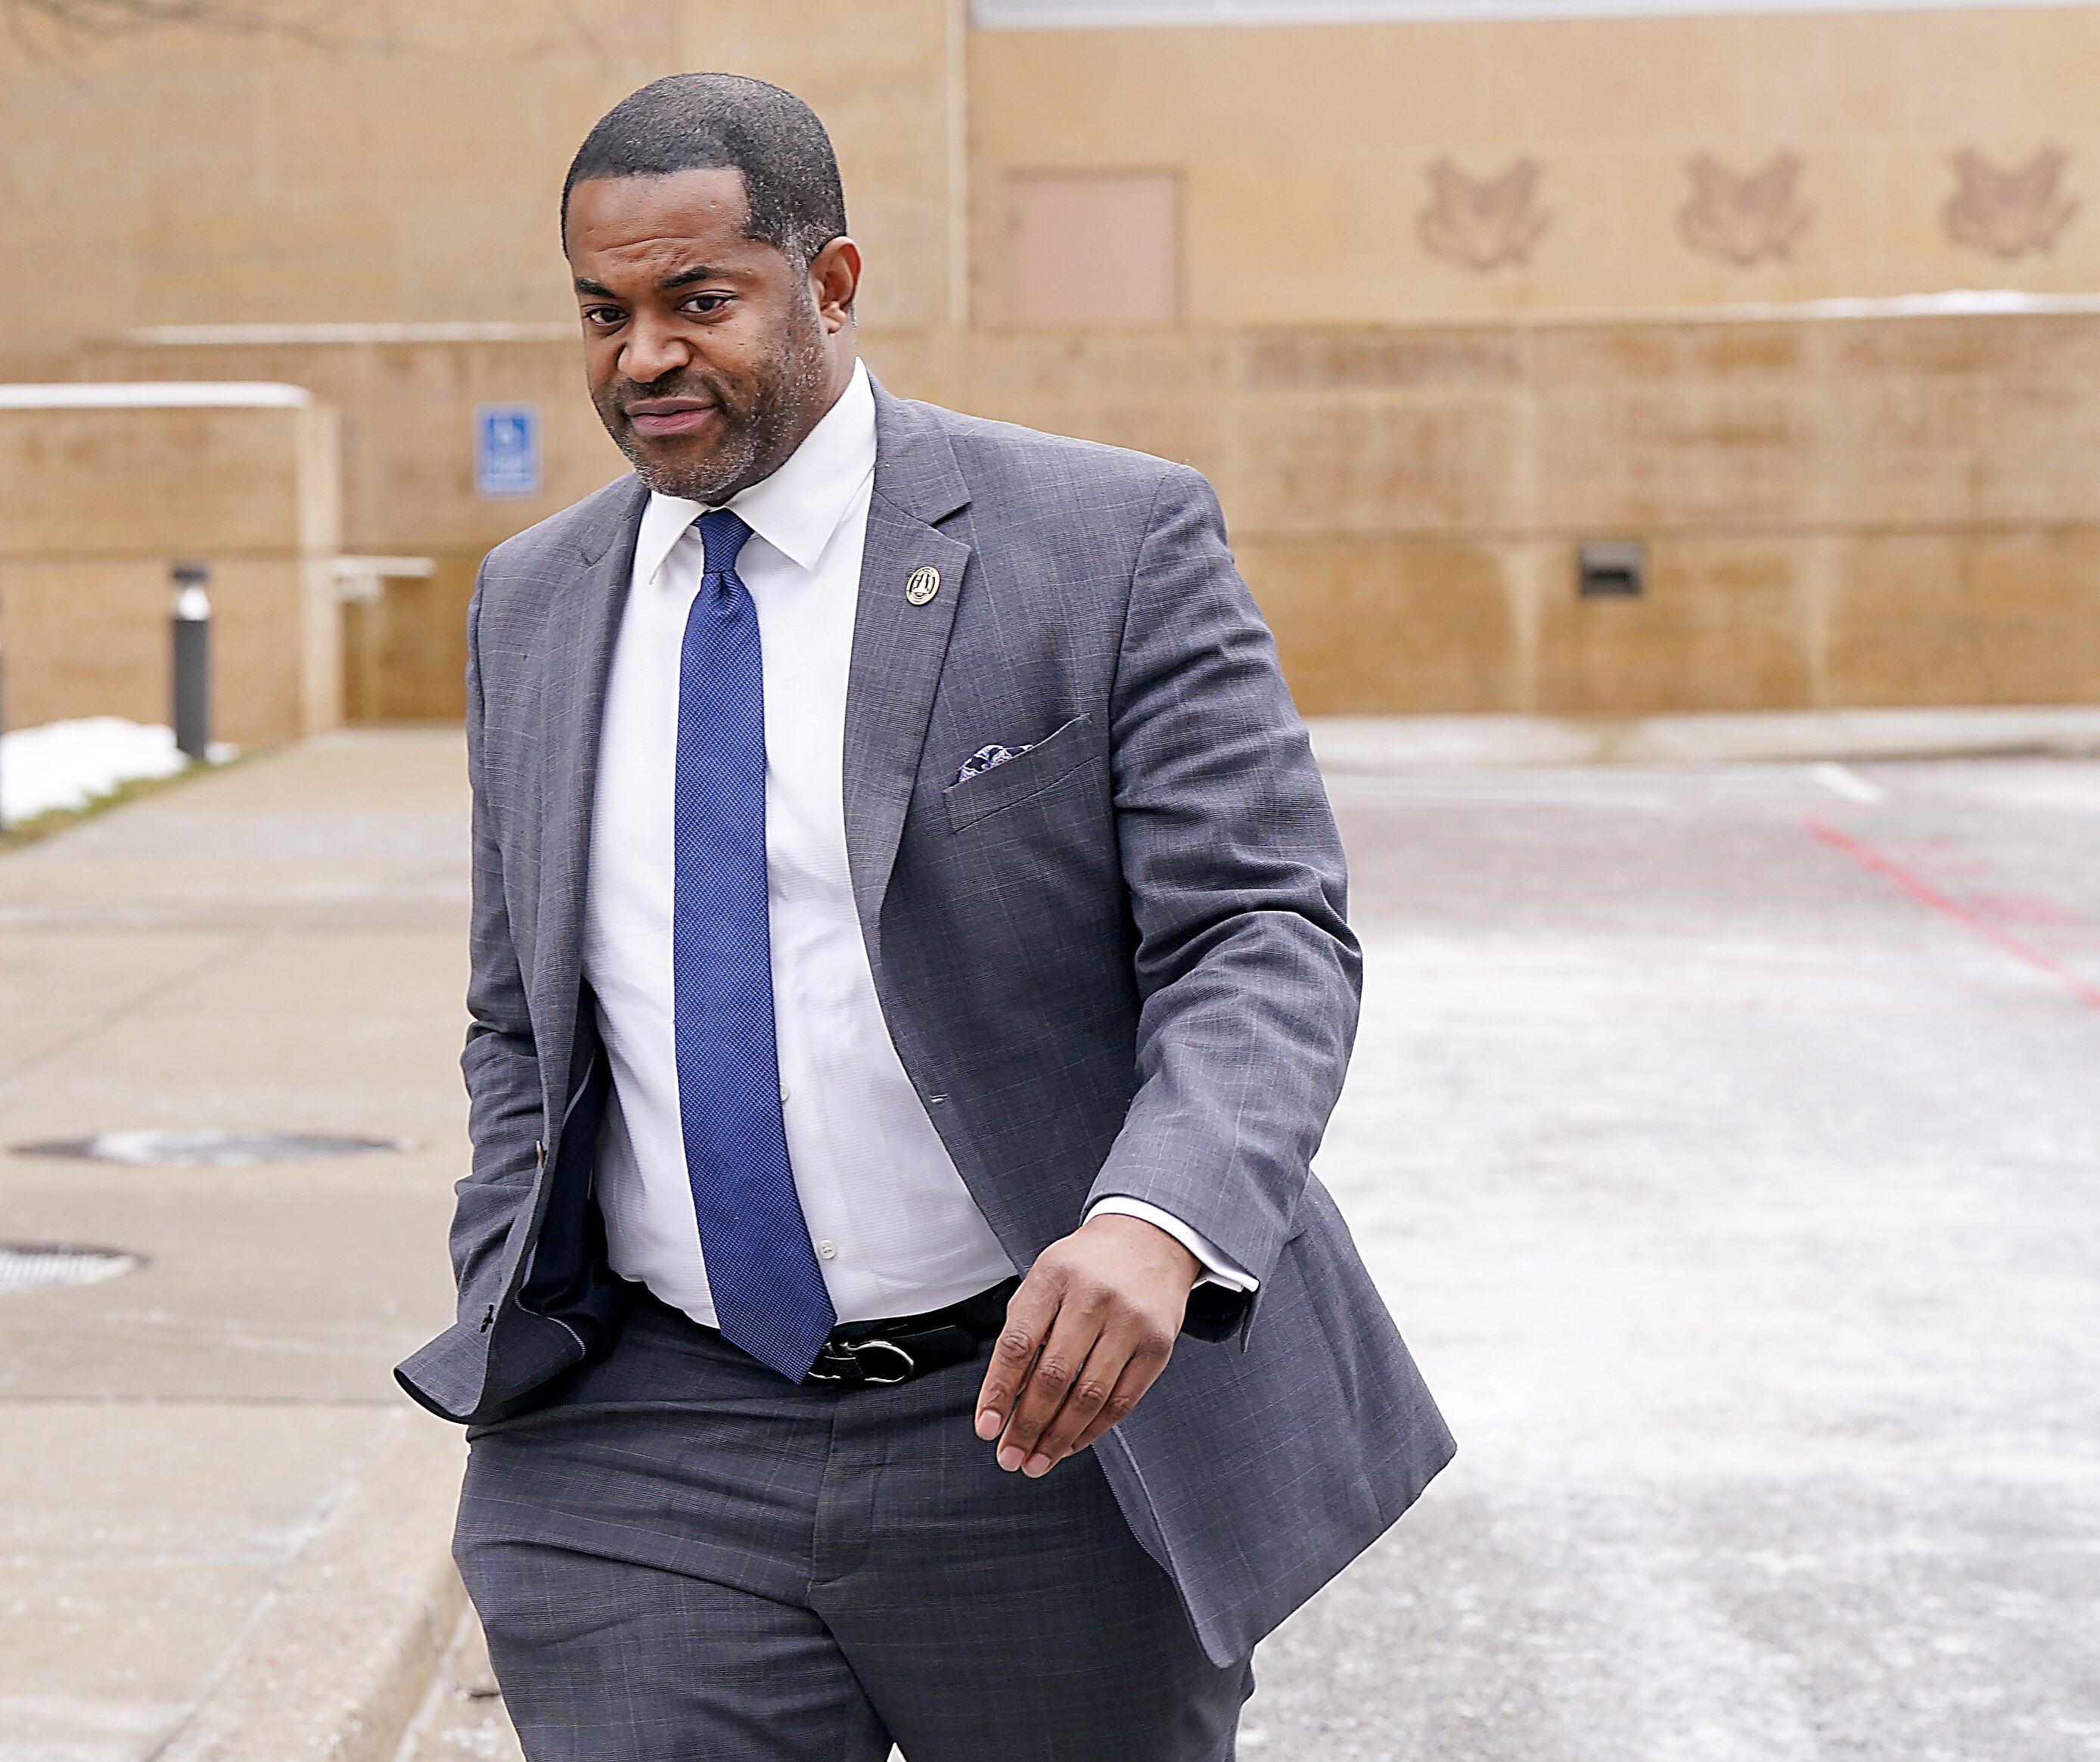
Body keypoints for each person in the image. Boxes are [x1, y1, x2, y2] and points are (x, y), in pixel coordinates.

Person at [396, 71, 1452, 1762]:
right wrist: (499, 1260)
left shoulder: (1101, 542)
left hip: (1032, 1425)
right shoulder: (534, 602)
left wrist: (1155, 1226)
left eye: (698, 302)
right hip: (644, 1432)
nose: (640, 357)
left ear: (829, 284)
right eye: (603, 313)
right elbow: (522, 1012)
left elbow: (1258, 929)